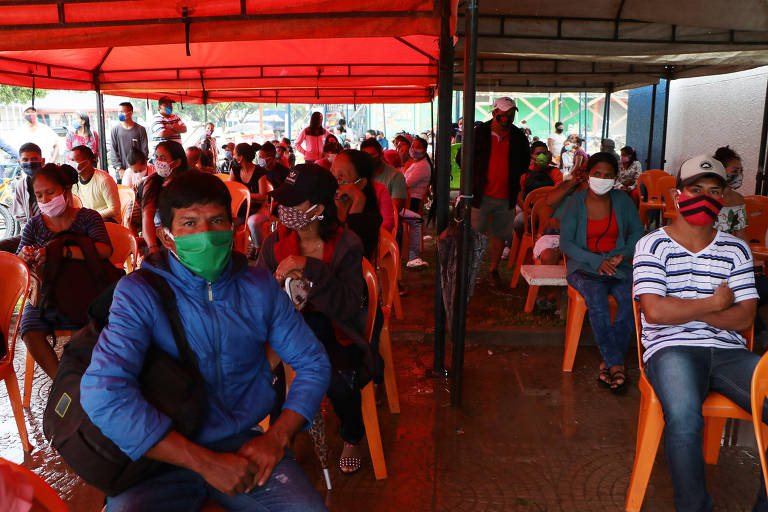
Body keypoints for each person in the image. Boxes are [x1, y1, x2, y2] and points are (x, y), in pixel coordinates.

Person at [81, 171, 330, 511]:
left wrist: (277, 436)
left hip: (244, 446)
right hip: (161, 453)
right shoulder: (139, 293)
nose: (206, 235)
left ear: (232, 226)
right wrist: (203, 463)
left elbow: (313, 362)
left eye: (216, 221)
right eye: (189, 224)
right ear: (167, 238)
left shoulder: (259, 287)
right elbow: (103, 392)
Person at [632, 154, 767, 512]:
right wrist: (715, 303)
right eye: (696, 189)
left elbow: (744, 319)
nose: (705, 198)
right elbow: (656, 312)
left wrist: (688, 307)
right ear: (678, 195)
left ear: (722, 199)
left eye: (713, 191)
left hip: (729, 353)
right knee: (685, 418)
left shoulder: (735, 249)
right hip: (670, 350)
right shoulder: (653, 245)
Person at [256, 165, 373, 476]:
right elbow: (258, 292)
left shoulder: (346, 245)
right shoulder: (275, 243)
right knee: (270, 382)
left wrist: (309, 267)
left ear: (318, 209)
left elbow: (349, 305)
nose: (283, 210)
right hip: (287, 329)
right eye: (282, 201)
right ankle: (280, 440)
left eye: (293, 203)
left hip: (335, 329)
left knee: (339, 382)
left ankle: (351, 435)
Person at [18, 163, 112, 378]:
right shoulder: (34, 225)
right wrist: (25, 256)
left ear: (66, 190)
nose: (44, 201)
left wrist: (61, 252)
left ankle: (80, 384)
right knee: (30, 331)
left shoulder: (88, 217)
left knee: (82, 332)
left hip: (84, 290)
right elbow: (18, 259)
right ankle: (63, 385)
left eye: (50, 193)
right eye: (39, 195)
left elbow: (105, 250)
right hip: (47, 293)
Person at [560, 152, 643, 392]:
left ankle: (609, 361)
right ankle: (616, 363)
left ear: (615, 178)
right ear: (587, 175)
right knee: (597, 301)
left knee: (631, 300)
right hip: (584, 268)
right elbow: (566, 244)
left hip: (617, 267)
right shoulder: (576, 202)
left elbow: (637, 231)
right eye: (597, 174)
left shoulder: (623, 201)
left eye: (608, 175)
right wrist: (596, 261)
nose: (602, 179)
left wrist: (624, 253)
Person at [461, 97, 530, 287]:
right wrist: (473, 180)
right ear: (494, 113)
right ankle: (467, 270)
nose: (506, 118)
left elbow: (525, 162)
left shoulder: (518, 136)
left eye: (510, 114)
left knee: (501, 234)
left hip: (506, 196)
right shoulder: (479, 133)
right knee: (473, 233)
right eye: (503, 114)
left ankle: (493, 269)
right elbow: (462, 158)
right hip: (479, 195)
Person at [329, 152, 386, 260]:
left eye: (341, 175)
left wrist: (359, 202)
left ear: (361, 183)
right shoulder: (323, 208)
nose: (334, 180)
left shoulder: (371, 218)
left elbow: (351, 255)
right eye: (332, 172)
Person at [140, 141, 189, 255]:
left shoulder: (189, 181)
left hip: (183, 234)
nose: (158, 162)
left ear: (176, 162)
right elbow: (147, 215)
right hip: (158, 236)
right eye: (157, 157)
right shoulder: (152, 182)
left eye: (163, 158)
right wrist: (152, 247)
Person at [0, 143, 44, 253]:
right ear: (19, 163)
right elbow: (22, 219)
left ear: (42, 161)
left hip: (50, 235)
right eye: (25, 160)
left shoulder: (52, 182)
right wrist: (27, 241)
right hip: (29, 234)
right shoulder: (21, 185)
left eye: (34, 159)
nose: (30, 163)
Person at [230, 143, 269, 259]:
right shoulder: (235, 169)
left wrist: (246, 195)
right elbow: (231, 190)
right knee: (229, 223)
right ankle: (233, 251)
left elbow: (262, 196)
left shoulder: (259, 171)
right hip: (242, 209)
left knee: (252, 222)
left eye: (235, 154)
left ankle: (258, 249)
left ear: (241, 157)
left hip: (259, 208)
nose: (233, 156)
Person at [71, 145, 121, 223]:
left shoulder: (104, 180)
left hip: (108, 221)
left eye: (73, 161)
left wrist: (90, 216)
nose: (71, 164)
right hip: (89, 220)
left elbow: (114, 210)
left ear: (87, 162)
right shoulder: (75, 182)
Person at [403, 137, 432, 268]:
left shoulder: (422, 166)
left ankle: (413, 256)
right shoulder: (416, 163)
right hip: (408, 198)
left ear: (425, 150)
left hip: (413, 200)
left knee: (415, 222)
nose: (413, 149)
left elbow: (405, 183)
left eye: (417, 147)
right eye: (412, 146)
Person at [360, 138, 407, 214]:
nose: (369, 159)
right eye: (366, 156)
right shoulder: (360, 175)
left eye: (372, 155)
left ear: (381, 155)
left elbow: (396, 208)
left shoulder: (396, 176)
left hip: (387, 220)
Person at [108, 101, 149, 184]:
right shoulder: (114, 130)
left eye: (122, 112)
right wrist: (119, 168)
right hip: (121, 172)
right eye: (119, 112)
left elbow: (145, 151)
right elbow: (113, 151)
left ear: (130, 113)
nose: (120, 114)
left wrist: (139, 169)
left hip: (138, 172)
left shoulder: (141, 129)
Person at [713, 146, 747, 240]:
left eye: (741, 171)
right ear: (720, 170)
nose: (739, 175)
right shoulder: (707, 197)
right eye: (735, 171)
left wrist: (747, 253)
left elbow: (740, 234)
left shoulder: (739, 200)